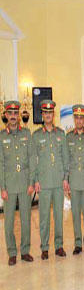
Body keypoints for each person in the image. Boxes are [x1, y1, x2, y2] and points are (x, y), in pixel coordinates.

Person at [32, 99, 69, 260]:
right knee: (44, 218)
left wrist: (66, 178)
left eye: (50, 113)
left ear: (53, 115)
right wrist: (35, 180)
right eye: (45, 113)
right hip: (44, 182)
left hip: (59, 182)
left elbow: (65, 158)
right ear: (42, 115)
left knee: (59, 217)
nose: (48, 115)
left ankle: (59, 246)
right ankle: (45, 247)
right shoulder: (36, 136)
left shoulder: (60, 134)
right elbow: (33, 160)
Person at [0, 101, 34, 265]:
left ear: (19, 115)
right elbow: (1, 163)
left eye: (15, 113)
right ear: (6, 115)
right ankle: (12, 252)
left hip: (25, 183)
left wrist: (31, 181)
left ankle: (25, 251)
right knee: (9, 222)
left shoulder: (26, 134)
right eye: (10, 113)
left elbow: (31, 159)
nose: (13, 116)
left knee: (26, 219)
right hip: (10, 184)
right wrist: (2, 187)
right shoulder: (2, 136)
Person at [66, 104, 84, 255]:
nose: (79, 120)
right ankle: (78, 243)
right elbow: (66, 161)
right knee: (75, 214)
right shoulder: (68, 137)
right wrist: (66, 180)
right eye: (76, 118)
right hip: (74, 180)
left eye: (81, 118)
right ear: (74, 119)